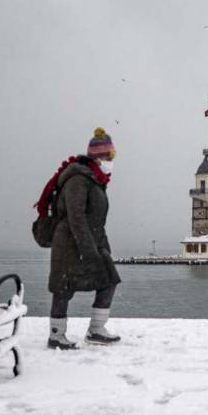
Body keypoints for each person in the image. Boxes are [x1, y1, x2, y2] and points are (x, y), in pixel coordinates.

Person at [42, 127, 122, 349]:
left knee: (109, 280)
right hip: (70, 243)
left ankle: (96, 330)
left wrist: (102, 246)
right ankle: (56, 335)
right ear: (98, 157)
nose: (111, 160)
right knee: (63, 287)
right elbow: (76, 217)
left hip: (91, 241)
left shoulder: (95, 180)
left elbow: (96, 219)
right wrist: (89, 251)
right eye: (109, 156)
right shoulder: (78, 179)